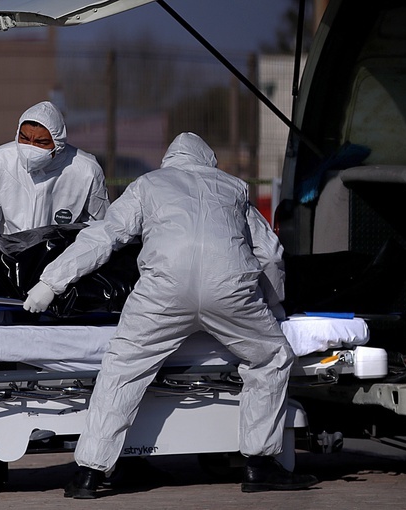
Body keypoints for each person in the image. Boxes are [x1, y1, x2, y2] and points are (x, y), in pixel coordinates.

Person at [23, 132, 319, 497]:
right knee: (272, 357)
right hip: (229, 289)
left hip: (163, 293)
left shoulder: (148, 185)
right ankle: (260, 465)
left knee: (122, 368)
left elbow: (105, 236)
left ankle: (89, 473)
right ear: (207, 161)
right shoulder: (234, 187)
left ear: (170, 160)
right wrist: (273, 305)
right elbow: (271, 254)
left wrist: (50, 283)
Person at [0, 101, 110, 315]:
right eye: (25, 138)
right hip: (6, 277)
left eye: (41, 142)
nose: (30, 147)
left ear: (59, 144)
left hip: (62, 284)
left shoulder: (85, 171)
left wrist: (57, 280)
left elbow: (100, 235)